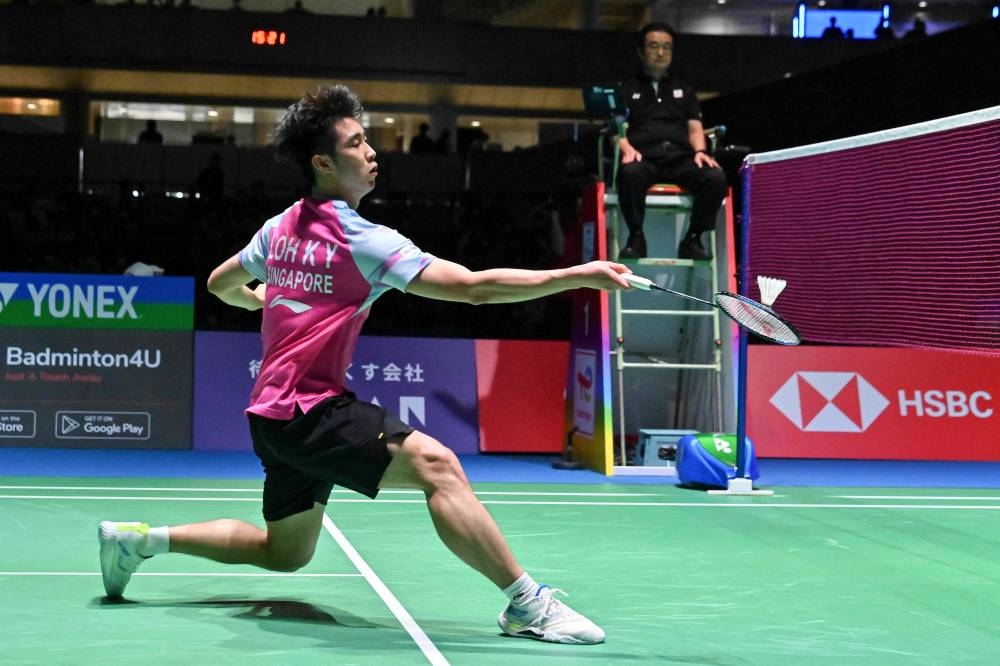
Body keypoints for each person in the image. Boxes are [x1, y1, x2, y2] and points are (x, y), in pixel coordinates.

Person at [97, 84, 631, 645]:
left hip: (271, 417)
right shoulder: (364, 240)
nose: (371, 151)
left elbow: (218, 284)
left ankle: (140, 541)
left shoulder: (279, 227)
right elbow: (472, 289)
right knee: (438, 466)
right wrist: (575, 275)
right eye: (355, 143)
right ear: (323, 162)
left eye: (366, 139)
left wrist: (259, 299)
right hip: (309, 409)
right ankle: (527, 604)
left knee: (285, 553)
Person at [615, 22, 727, 260]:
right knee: (629, 173)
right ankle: (636, 237)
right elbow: (616, 129)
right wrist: (625, 147)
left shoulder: (684, 90)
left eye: (666, 47)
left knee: (715, 177)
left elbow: (695, 128)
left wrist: (700, 151)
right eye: (653, 46)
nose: (660, 52)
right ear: (641, 51)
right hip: (644, 158)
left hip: (680, 158)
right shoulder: (626, 89)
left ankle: (693, 238)